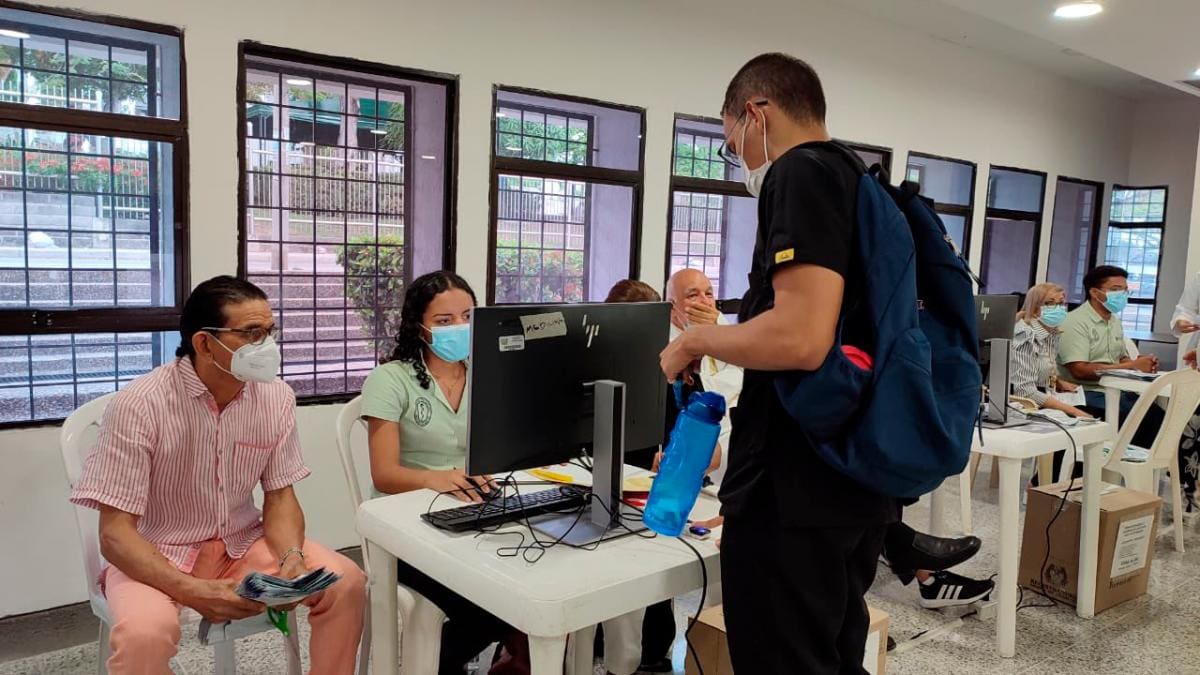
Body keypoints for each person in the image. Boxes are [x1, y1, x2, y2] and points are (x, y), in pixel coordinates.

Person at [660, 53, 896, 674]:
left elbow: (799, 338)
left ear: (755, 114)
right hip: (851, 471)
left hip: (794, 488)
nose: (738, 159)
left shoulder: (800, 173)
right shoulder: (856, 177)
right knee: (832, 652)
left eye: (731, 142)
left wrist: (695, 340)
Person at [68, 276, 366, 675]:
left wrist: (292, 558)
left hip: (242, 544)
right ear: (205, 343)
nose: (268, 346)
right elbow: (115, 534)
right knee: (144, 635)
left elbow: (280, 496)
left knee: (346, 582)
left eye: (270, 332)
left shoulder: (275, 397)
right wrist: (193, 590)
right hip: (155, 553)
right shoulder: (140, 405)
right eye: (252, 334)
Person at [361, 271, 519, 675]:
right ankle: (430, 667)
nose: (459, 328)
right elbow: (384, 475)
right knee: (491, 607)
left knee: (527, 580)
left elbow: (502, 449)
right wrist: (436, 477)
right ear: (420, 326)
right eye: (444, 320)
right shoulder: (390, 379)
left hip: (474, 514)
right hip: (405, 526)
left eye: (467, 317)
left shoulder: (487, 374)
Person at [1058, 265, 1163, 448]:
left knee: (1159, 414)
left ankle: (1141, 462)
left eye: (1125, 290)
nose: (1122, 295)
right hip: (1083, 393)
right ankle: (1117, 461)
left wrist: (1140, 363)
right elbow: (1079, 370)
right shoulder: (1074, 322)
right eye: (1116, 290)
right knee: (1142, 418)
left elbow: (1120, 358)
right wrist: (1131, 366)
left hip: (1114, 389)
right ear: (1094, 292)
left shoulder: (1113, 321)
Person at [1012, 283, 1092, 419]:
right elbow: (1024, 391)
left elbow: (1043, 369)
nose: (1058, 308)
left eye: (1061, 303)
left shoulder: (1051, 334)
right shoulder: (1025, 336)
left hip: (1046, 396)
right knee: (1087, 417)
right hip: (1023, 407)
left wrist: (1057, 383)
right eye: (1050, 303)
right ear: (1035, 308)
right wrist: (1073, 411)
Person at [1170, 273, 1200, 509]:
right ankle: (1189, 495)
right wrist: (1182, 321)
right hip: (1196, 364)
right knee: (1191, 430)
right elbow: (1186, 309)